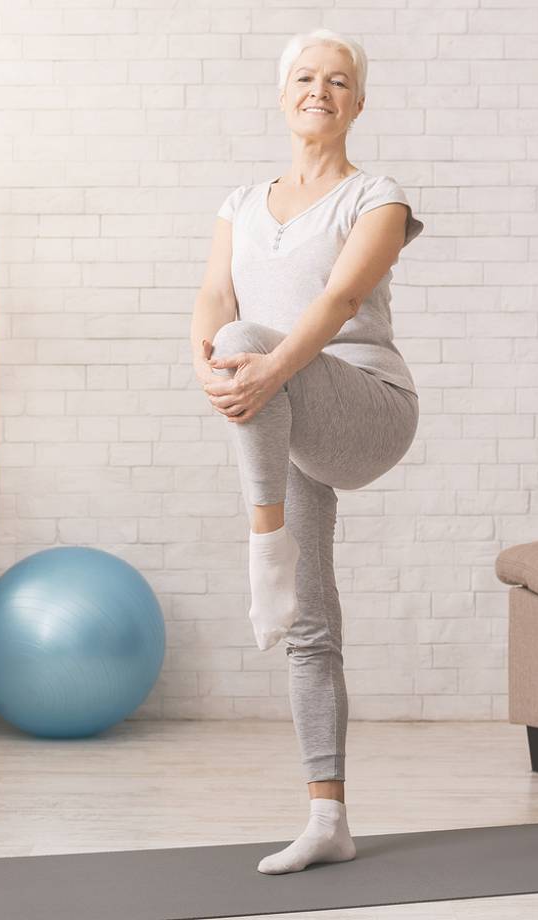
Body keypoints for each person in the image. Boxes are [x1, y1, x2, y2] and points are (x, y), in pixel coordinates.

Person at [188, 27, 423, 875]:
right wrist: (213, 376)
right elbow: (211, 293)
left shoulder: (378, 196)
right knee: (309, 627)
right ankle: (328, 818)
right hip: (277, 406)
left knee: (249, 334)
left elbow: (341, 295)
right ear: (281, 93)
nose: (317, 89)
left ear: (357, 102)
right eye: (303, 77)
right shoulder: (240, 202)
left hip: (366, 407)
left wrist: (253, 363)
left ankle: (262, 540)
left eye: (336, 80)